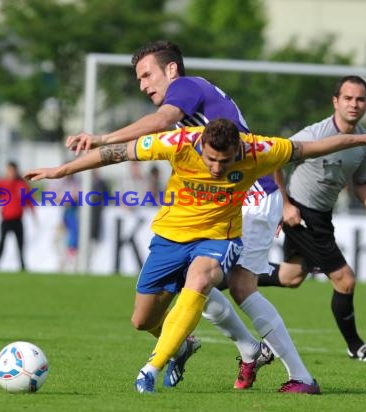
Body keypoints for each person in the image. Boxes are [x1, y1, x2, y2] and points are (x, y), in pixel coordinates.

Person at [26, 118, 366, 394]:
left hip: (218, 238)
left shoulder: (258, 149)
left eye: (225, 161)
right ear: (200, 145)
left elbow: (311, 148)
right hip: (170, 237)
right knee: (141, 320)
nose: (218, 168)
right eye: (211, 160)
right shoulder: (179, 142)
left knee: (203, 278)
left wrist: (364, 138)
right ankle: (182, 345)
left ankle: (151, 369)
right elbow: (116, 153)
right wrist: (62, 169)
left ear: (238, 149)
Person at [67, 40, 304, 392]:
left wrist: (101, 138)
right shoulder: (199, 110)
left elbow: (161, 122)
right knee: (198, 282)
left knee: (234, 286)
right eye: (139, 79)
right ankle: (250, 348)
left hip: (251, 198)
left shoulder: (186, 88)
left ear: (172, 70)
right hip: (239, 197)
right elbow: (262, 146)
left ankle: (300, 375)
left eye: (147, 75)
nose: (144, 85)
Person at [257, 76, 366, 362]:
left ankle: (230, 275)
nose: (354, 104)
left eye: (360, 99)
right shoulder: (315, 134)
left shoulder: (365, 142)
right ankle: (356, 346)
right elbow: (273, 160)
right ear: (335, 101)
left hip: (321, 214)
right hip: (302, 213)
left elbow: (361, 181)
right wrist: (285, 206)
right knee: (345, 280)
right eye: (348, 98)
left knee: (291, 277)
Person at [0, 161, 36, 271]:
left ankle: (23, 267)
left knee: (20, 245)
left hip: (18, 220)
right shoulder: (2, 184)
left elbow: (29, 201)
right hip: (6, 220)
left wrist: (34, 215)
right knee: (2, 243)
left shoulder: (21, 185)